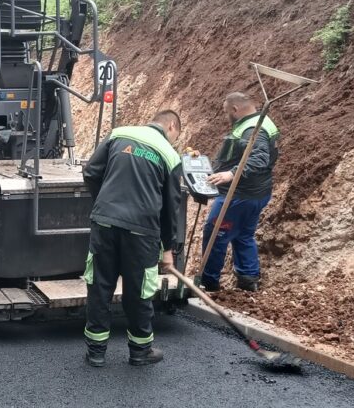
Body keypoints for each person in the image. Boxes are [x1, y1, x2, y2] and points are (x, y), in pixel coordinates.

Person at [82, 110, 183, 367]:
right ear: (171, 126)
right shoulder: (169, 155)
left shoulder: (119, 133)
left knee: (100, 286)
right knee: (139, 292)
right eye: (176, 136)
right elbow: (171, 208)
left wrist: (104, 204)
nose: (174, 141)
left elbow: (92, 172)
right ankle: (140, 351)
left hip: (105, 223)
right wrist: (168, 248)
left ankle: (96, 352)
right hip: (142, 232)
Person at [197, 92, 280, 293]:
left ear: (235, 109)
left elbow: (258, 159)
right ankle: (248, 279)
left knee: (215, 233)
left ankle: (208, 283)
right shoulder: (261, 122)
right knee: (243, 234)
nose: (226, 116)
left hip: (238, 196)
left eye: (227, 112)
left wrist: (231, 174)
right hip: (256, 193)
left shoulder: (254, 129)